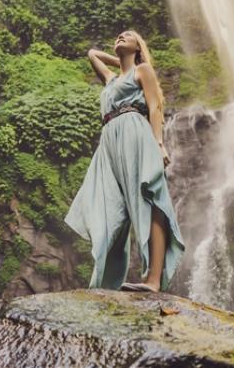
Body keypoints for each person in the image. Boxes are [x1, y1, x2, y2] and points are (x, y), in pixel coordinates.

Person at [64, 29, 186, 292]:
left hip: (134, 132)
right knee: (108, 206)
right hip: (109, 142)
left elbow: (155, 107)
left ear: (138, 46)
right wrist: (120, 59)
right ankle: (106, 281)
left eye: (127, 36)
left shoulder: (142, 71)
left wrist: (159, 144)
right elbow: (92, 54)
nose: (120, 36)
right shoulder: (111, 79)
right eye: (118, 35)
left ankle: (153, 280)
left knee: (149, 198)